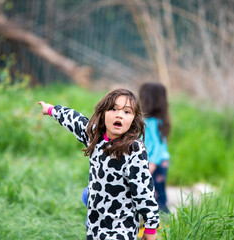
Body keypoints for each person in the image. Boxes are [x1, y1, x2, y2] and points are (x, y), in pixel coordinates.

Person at [38, 88, 160, 240]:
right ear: (103, 114)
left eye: (127, 112)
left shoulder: (133, 149)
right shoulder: (95, 137)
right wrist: (51, 109)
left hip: (121, 228)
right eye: (114, 109)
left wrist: (150, 228)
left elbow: (143, 190)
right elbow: (75, 120)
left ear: (133, 119)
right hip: (95, 226)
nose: (119, 114)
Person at [139, 82, 171, 213]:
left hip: (155, 163)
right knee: (154, 193)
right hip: (158, 162)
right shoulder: (158, 120)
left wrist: (152, 164)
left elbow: (158, 146)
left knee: (156, 195)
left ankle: (163, 220)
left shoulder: (152, 122)